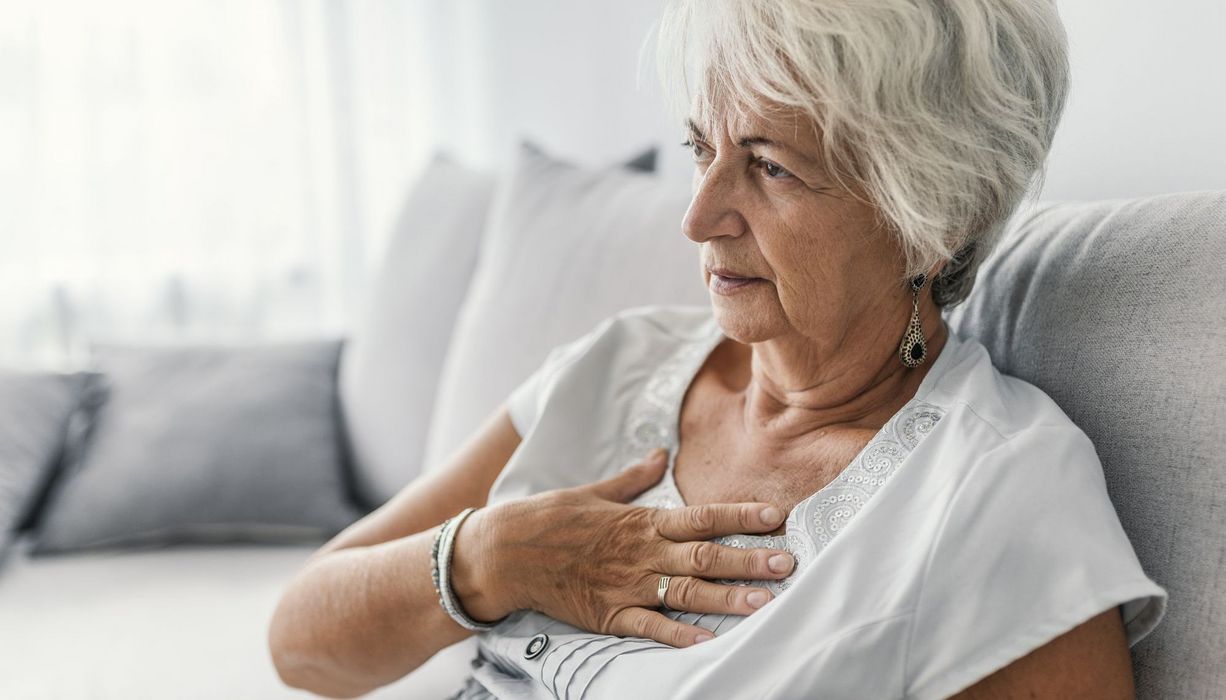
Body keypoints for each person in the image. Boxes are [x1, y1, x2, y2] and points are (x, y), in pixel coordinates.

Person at [268, 1, 1167, 697]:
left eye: (769, 165)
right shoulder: (616, 364)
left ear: (934, 215)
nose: (697, 216)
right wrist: (491, 557)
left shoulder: (995, 491)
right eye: (702, 148)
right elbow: (301, 642)